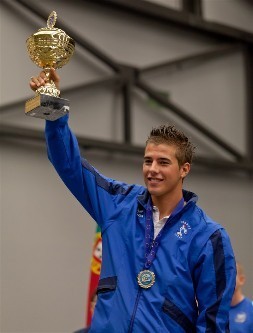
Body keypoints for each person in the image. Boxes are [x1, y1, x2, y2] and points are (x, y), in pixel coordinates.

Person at [30, 68, 236, 332]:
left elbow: (214, 322)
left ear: (184, 169)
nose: (152, 169)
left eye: (163, 162)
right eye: (148, 160)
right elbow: (68, 164)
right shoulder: (117, 203)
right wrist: (52, 107)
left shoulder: (208, 237)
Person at [229, 262, 253, 333]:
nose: (227, 280)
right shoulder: (214, 309)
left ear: (241, 280)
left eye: (231, 275)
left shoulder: (251, 309)